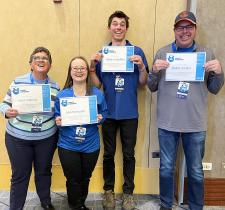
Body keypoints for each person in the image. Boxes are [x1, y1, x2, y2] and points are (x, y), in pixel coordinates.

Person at [147, 11, 224, 210]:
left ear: (195, 30)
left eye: (189, 27)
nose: (184, 31)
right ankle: (166, 206)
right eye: (180, 27)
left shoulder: (206, 54)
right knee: (165, 169)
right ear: (174, 30)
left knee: (196, 171)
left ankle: (196, 207)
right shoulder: (163, 53)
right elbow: (152, 86)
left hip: (195, 124)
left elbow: (214, 88)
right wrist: (153, 71)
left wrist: (219, 72)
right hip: (167, 123)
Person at [90, 11, 149, 210]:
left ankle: (128, 194)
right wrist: (92, 68)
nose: (118, 27)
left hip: (129, 114)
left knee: (129, 155)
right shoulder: (102, 53)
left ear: (126, 28)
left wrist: (141, 67)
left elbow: (143, 84)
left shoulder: (137, 52)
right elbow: (97, 85)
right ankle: (108, 192)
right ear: (109, 28)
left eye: (122, 24)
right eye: (114, 24)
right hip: (107, 113)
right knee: (108, 154)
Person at [0, 47, 60, 210]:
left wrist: (61, 118)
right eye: (37, 58)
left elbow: (58, 112)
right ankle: (16, 207)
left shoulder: (55, 87)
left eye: (45, 58)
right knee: (20, 175)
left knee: (44, 172)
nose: (41, 60)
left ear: (50, 65)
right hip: (18, 138)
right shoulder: (18, 82)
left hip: (46, 139)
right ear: (31, 64)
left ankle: (46, 202)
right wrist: (6, 111)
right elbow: (4, 103)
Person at [54, 56, 107, 210]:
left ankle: (80, 204)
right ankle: (75, 206)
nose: (79, 71)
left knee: (85, 178)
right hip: (68, 145)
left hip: (90, 145)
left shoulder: (97, 94)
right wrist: (58, 121)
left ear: (87, 71)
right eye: (75, 68)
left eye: (82, 68)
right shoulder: (62, 96)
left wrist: (100, 118)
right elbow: (57, 117)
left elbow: (104, 113)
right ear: (70, 72)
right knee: (73, 179)